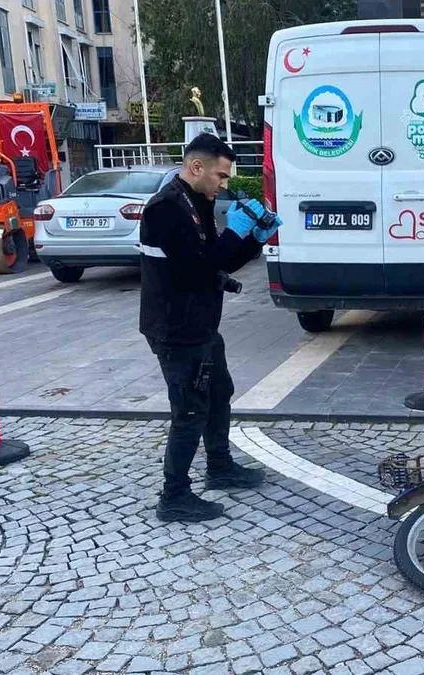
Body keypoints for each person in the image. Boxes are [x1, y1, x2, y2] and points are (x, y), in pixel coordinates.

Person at [139, 133, 280, 521]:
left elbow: (218, 262)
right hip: (175, 327)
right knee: (189, 409)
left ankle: (219, 466)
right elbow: (194, 269)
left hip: (200, 323)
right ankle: (174, 496)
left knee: (219, 392)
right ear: (196, 167)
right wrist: (235, 232)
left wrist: (254, 239)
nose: (224, 184)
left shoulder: (199, 201)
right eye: (220, 176)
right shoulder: (165, 209)